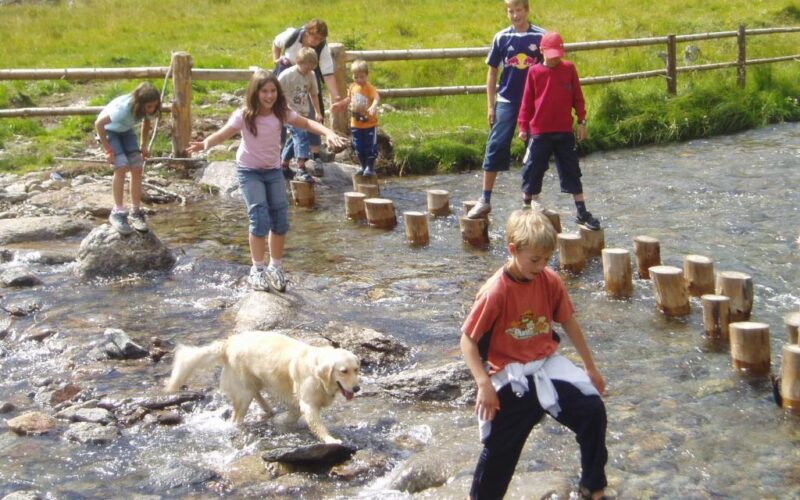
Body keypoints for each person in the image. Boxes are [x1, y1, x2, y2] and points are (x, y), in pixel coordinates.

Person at [460, 209, 609, 500]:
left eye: (546, 259)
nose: (541, 266)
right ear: (513, 250)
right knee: (502, 444)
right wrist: (483, 384)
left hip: (545, 365)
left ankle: (593, 488)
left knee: (592, 410)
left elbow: (569, 323)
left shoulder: (550, 280)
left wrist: (591, 368)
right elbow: (467, 340)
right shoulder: (496, 291)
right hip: (510, 372)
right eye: (534, 260)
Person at [186, 71, 348, 292]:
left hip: (272, 171)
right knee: (259, 217)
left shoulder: (281, 112)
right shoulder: (244, 115)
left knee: (280, 219)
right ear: (255, 92)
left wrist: (328, 131)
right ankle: (257, 269)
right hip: (249, 171)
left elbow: (307, 123)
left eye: (273, 91)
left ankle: (276, 267)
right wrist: (204, 144)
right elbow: (224, 134)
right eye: (264, 91)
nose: (269, 96)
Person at [467, 0, 546, 220]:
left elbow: (550, 70)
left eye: (518, 10)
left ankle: (533, 199)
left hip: (533, 102)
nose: (515, 15)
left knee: (535, 148)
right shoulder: (501, 37)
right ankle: (484, 199)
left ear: (527, 10)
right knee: (495, 144)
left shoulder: (541, 36)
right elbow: (492, 73)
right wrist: (490, 105)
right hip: (506, 100)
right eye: (510, 11)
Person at [517, 31, 601, 230]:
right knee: (532, 169)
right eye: (551, 54)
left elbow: (578, 98)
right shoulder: (534, 72)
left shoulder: (569, 69)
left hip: (564, 130)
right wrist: (523, 126)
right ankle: (526, 207)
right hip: (539, 131)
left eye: (558, 55)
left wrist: (582, 121)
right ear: (542, 51)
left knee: (572, 169)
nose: (555, 59)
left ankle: (581, 210)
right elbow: (527, 102)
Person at [272, 18, 345, 176]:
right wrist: (276, 60)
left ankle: (315, 155)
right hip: (289, 77)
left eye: (321, 39)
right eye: (315, 37)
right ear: (307, 32)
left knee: (310, 118)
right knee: (282, 119)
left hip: (306, 77)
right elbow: (276, 43)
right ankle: (284, 161)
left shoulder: (321, 51)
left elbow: (327, 73)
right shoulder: (292, 35)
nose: (317, 41)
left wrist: (336, 96)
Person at [95, 82, 161, 234]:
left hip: (125, 131)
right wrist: (108, 150)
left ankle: (136, 212)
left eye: (154, 106)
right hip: (108, 131)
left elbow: (146, 122)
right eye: (149, 106)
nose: (152, 109)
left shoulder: (147, 109)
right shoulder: (122, 111)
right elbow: (99, 124)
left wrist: (144, 145)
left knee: (137, 167)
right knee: (121, 166)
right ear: (140, 104)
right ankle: (118, 212)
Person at [279, 47, 323, 183]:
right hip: (289, 113)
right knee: (301, 137)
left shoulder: (311, 75)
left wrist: (317, 112)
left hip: (303, 113)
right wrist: (285, 110)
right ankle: (301, 168)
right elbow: (278, 95)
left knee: (294, 140)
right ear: (298, 61)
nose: (308, 70)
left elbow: (314, 94)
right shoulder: (286, 76)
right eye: (306, 67)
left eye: (312, 67)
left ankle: (283, 165)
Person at [341, 59, 380, 176]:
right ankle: (362, 166)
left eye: (362, 77)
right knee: (358, 146)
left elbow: (377, 97)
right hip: (356, 123)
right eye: (356, 77)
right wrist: (340, 104)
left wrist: (373, 106)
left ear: (367, 76)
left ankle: (370, 167)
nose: (359, 80)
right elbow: (349, 99)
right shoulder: (353, 87)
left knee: (370, 146)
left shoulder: (370, 88)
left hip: (369, 124)